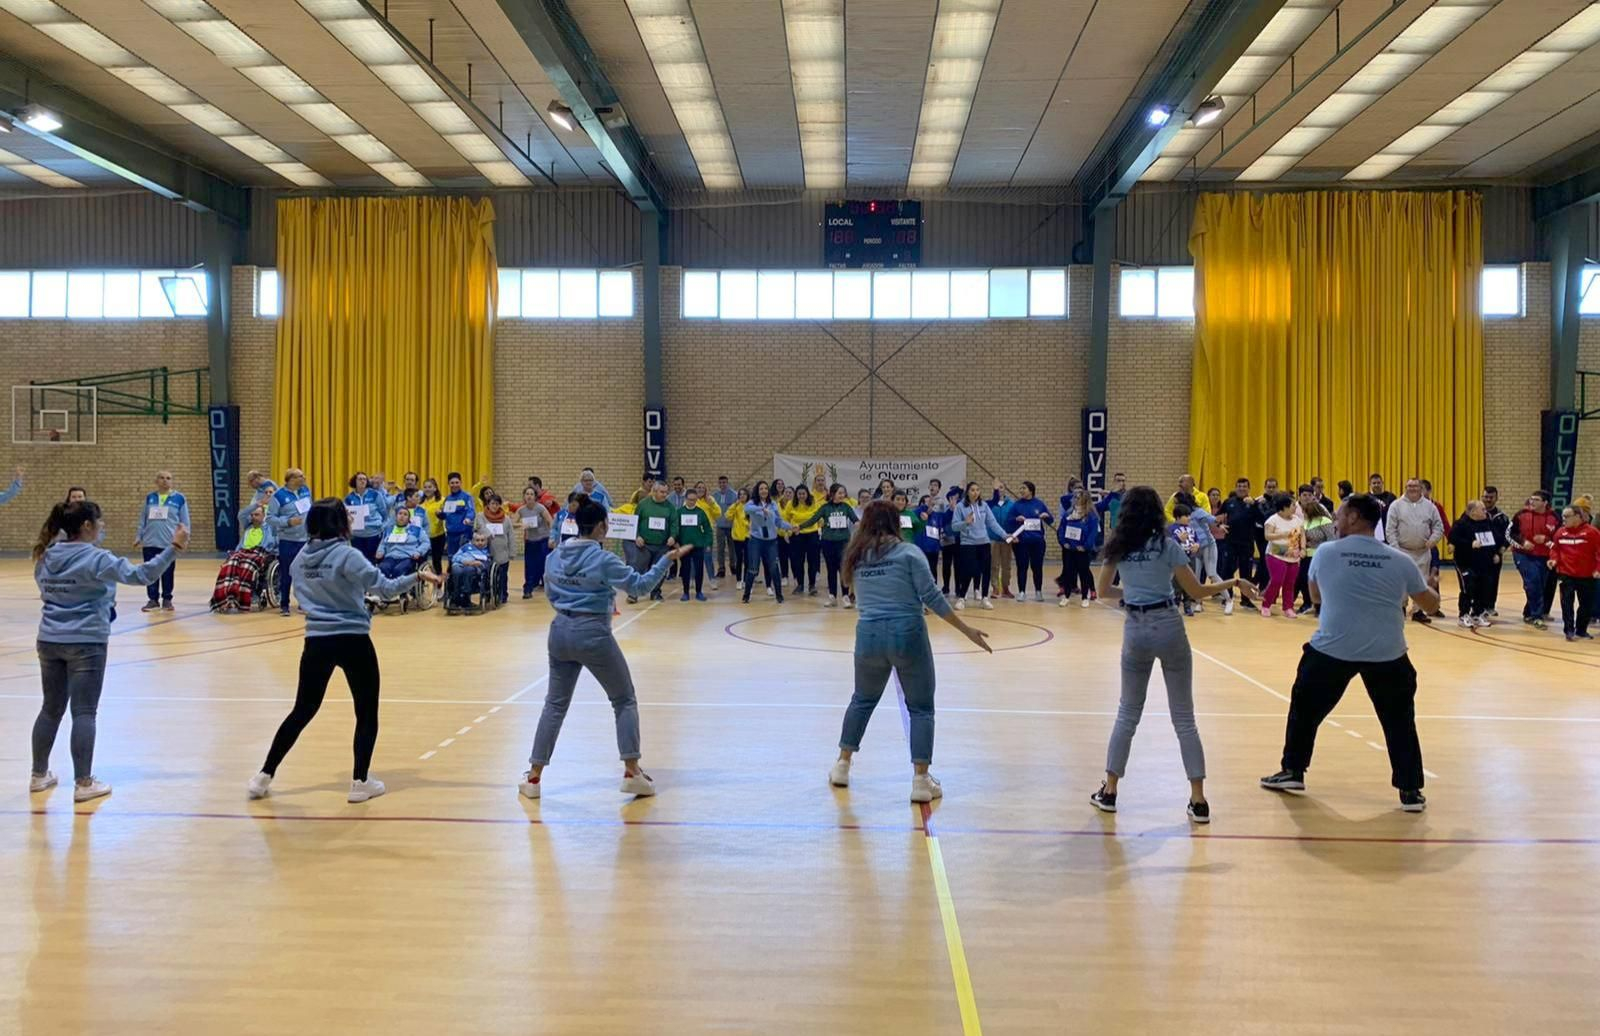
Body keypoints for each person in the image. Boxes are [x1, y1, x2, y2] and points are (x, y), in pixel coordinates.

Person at [247, 500, 441, 804]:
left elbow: (303, 593)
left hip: (316, 642)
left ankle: (263, 776)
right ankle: (360, 782)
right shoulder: (347, 555)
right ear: (340, 523)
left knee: (302, 710)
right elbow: (386, 588)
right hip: (353, 640)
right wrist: (417, 577)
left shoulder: (300, 559)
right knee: (366, 711)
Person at [1260, 494, 1437, 813]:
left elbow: (1315, 596)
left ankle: (1293, 771)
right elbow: (1430, 605)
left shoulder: (1327, 553)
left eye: (1339, 515)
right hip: (1387, 652)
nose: (1335, 520)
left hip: (1333, 648)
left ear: (1354, 517)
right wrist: (1429, 586)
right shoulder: (1400, 560)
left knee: (1305, 708)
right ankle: (1410, 790)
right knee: (1399, 721)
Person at [519, 496, 691, 800]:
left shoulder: (554, 556)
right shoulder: (603, 559)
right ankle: (632, 771)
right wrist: (667, 559)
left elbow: (550, 593)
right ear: (601, 526)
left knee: (554, 705)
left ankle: (533, 778)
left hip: (558, 632)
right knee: (623, 699)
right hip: (593, 633)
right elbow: (639, 586)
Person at [827, 500, 992, 803]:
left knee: (862, 700)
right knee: (920, 708)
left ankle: (842, 764)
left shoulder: (855, 557)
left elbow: (849, 588)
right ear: (895, 523)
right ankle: (920, 780)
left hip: (868, 635)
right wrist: (966, 630)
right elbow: (933, 597)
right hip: (907, 633)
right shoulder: (909, 553)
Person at [1088, 487, 1236, 823]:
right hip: (1169, 626)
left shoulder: (1119, 548)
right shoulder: (1168, 546)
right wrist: (1232, 582)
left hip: (1136, 630)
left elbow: (1103, 591)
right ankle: (1198, 801)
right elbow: (1196, 590)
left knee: (1127, 713)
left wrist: (1134, 595)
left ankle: (1109, 791)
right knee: (1184, 718)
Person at [31, 501, 188, 802]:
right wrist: (174, 549)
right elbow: (142, 575)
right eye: (99, 523)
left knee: (50, 709)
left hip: (49, 639)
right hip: (86, 641)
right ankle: (84, 783)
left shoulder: (45, 555)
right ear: (87, 526)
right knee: (84, 711)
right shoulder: (97, 558)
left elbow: (44, 589)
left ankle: (38, 775)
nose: (103, 527)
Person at [1385, 478, 1443, 623]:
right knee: (1401, 582)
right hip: (1402, 551)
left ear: (1420, 488)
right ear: (1405, 487)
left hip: (1423, 552)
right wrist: (1395, 548)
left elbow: (1438, 526)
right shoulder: (1396, 505)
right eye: (1410, 486)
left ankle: (1418, 611)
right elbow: (1390, 529)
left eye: (1415, 486)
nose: (1412, 488)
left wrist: (1433, 540)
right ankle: (1401, 608)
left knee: (1421, 582)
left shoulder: (1430, 506)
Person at [134, 470, 190, 612]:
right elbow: (143, 519)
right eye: (162, 478)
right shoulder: (150, 498)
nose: (165, 480)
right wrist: (139, 536)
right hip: (150, 541)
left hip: (169, 543)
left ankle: (167, 599)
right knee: (150, 570)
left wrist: (184, 539)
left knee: (168, 571)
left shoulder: (179, 498)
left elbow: (185, 521)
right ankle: (152, 600)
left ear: (172, 481)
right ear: (156, 481)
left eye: (168, 478)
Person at [797, 483, 859, 607]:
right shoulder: (825, 508)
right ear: (832, 494)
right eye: (840, 493)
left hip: (843, 543)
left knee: (842, 569)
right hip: (828, 542)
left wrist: (862, 525)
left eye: (843, 493)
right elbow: (813, 519)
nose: (842, 495)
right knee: (831, 569)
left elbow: (855, 520)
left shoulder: (846, 507)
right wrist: (799, 527)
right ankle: (832, 596)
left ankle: (845, 596)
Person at [210, 497, 276, 612]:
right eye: (253, 515)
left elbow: (272, 543)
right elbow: (241, 515)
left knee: (247, 566)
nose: (253, 517)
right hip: (242, 552)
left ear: (263, 516)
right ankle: (224, 599)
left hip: (258, 552)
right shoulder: (248, 526)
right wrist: (257, 504)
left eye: (257, 515)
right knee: (229, 565)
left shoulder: (269, 527)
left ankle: (237, 598)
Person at [1449, 499, 1504, 628]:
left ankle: (1477, 613)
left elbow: (1496, 539)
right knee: (1468, 587)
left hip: (1483, 562)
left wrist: (1496, 553)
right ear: (1473, 512)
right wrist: (1470, 544)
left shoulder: (1487, 523)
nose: (1486, 512)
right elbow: (1453, 539)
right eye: (1482, 510)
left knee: (1483, 587)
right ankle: (1463, 615)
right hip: (1465, 562)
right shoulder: (1461, 524)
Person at [952, 482, 1007, 611]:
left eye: (977, 490)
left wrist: (1005, 536)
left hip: (984, 543)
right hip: (968, 544)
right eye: (972, 490)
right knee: (968, 571)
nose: (975, 492)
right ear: (967, 492)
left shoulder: (984, 506)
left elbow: (992, 523)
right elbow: (954, 526)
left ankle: (984, 598)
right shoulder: (960, 507)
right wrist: (965, 523)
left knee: (985, 571)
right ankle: (962, 597)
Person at [1548, 506, 1600, 641]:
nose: (1563, 519)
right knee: (1566, 604)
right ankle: (1569, 630)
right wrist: (1553, 560)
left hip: (1587, 575)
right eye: (1563, 516)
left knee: (1586, 605)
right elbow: (1555, 549)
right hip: (1566, 574)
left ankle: (1581, 630)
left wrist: (1598, 569)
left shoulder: (1592, 532)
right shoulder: (1560, 533)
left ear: (1578, 516)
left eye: (1567, 516)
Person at [1510, 490, 1560, 629]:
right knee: (1532, 580)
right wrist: (1522, 542)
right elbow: (1510, 533)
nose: (1532, 502)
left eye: (1536, 499)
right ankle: (1537, 616)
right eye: (1531, 499)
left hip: (1544, 556)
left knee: (1539, 584)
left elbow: (1559, 536)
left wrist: (1547, 539)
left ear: (1545, 503)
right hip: (1523, 554)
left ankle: (1528, 612)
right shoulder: (1521, 515)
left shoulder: (1554, 517)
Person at [266, 469, 313, 616]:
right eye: (300, 476)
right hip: (288, 540)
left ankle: (303, 603)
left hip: (305, 540)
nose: (304, 477)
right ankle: (284, 604)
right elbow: (270, 518)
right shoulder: (278, 496)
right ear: (291, 479)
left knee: (305, 573)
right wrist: (288, 522)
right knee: (287, 573)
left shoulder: (305, 490)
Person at [742, 481, 792, 604]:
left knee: (774, 568)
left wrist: (791, 526)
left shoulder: (773, 504)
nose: (764, 491)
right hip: (756, 541)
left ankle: (779, 595)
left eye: (765, 488)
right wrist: (761, 508)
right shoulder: (752, 503)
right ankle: (746, 595)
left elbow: (778, 522)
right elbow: (747, 509)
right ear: (757, 491)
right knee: (753, 568)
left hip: (771, 542)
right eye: (761, 489)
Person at [1216, 477, 1259, 615]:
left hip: (1246, 543)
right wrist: (1220, 525)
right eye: (1239, 486)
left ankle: (1246, 600)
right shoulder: (1229, 502)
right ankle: (1227, 597)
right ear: (1236, 487)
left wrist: (1254, 504)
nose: (1241, 488)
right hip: (1230, 542)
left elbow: (1261, 519)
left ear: (1248, 488)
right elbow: (1216, 516)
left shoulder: (1254, 503)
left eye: (1244, 486)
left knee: (1245, 573)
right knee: (1227, 570)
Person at [1005, 481, 1054, 602]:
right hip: (1022, 543)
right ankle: (1022, 592)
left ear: (1031, 490)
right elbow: (1008, 521)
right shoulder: (1016, 505)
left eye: (1024, 488)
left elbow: (1050, 520)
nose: (1021, 490)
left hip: (1038, 542)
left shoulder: (1039, 504)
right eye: (1020, 488)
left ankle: (1038, 591)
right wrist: (1016, 519)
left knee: (1037, 567)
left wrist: (1046, 516)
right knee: (1022, 567)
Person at [1261, 493, 1305, 618]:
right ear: (1284, 507)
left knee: (1290, 582)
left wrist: (1303, 549)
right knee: (1276, 580)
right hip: (1276, 554)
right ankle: (1266, 605)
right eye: (1292, 505)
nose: (1295, 507)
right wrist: (1283, 535)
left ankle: (1288, 607)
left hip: (1293, 554)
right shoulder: (1272, 520)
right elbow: (1267, 536)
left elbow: (1302, 535)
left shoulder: (1297, 520)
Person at [632, 481, 677, 604]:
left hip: (662, 546)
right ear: (654, 491)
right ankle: (633, 593)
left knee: (660, 570)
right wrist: (637, 536)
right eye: (662, 492)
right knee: (638, 569)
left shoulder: (670, 507)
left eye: (666, 492)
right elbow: (634, 522)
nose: (665, 494)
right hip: (644, 545)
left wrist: (673, 536)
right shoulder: (643, 505)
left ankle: (656, 592)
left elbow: (674, 523)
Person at [1056, 490, 1101, 607]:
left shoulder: (1091, 516)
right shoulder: (1068, 513)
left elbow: (1092, 533)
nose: (1075, 499)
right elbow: (1061, 529)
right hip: (1069, 549)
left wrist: (1085, 546)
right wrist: (1063, 542)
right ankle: (1066, 596)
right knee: (1068, 573)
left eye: (1078, 497)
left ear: (1085, 499)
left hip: (1082, 551)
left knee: (1083, 573)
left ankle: (1085, 597)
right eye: (1075, 497)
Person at [1295, 492, 1336, 614]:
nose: (1303, 513)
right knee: (1303, 580)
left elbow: (1331, 538)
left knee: (1319, 583)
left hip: (1320, 555)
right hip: (1306, 556)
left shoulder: (1324, 521)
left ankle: (1321, 606)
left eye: (1305, 511)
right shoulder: (1305, 522)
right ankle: (1307, 602)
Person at [674, 486, 713, 601]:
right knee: (685, 570)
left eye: (694, 500)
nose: (692, 502)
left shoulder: (701, 512)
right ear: (685, 499)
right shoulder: (679, 512)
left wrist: (708, 544)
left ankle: (699, 592)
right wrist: (676, 542)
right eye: (690, 499)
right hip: (684, 547)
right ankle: (685, 592)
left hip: (698, 546)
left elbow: (708, 529)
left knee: (699, 570)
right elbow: (675, 529)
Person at [474, 493, 514, 605]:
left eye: (497, 504)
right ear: (488, 504)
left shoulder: (506, 519)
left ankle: (503, 594)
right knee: (486, 574)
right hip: (486, 550)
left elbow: (511, 535)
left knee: (502, 575)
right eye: (492, 503)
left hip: (502, 550)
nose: (494, 506)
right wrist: (488, 533)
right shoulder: (480, 516)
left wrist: (512, 551)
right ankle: (486, 594)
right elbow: (480, 527)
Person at [513, 486, 552, 598]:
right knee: (529, 566)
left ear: (535, 497)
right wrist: (521, 525)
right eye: (527, 494)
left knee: (541, 564)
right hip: (530, 541)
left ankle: (545, 586)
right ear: (524, 496)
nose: (529, 496)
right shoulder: (521, 510)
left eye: (531, 494)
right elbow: (512, 524)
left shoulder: (540, 508)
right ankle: (528, 589)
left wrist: (552, 537)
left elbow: (550, 521)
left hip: (543, 540)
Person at [786, 484, 823, 596]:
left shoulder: (814, 502)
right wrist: (787, 532)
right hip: (797, 535)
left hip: (812, 534)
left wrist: (820, 528)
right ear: (796, 495)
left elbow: (820, 517)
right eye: (799, 494)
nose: (801, 496)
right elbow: (786, 519)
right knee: (798, 561)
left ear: (807, 494)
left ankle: (812, 585)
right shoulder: (791, 504)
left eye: (803, 494)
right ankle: (800, 585)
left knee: (813, 561)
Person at [374, 503, 428, 579]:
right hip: (390, 557)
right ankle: (386, 589)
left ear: (409, 519)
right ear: (396, 517)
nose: (402, 516)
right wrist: (380, 551)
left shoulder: (417, 530)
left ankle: (399, 590)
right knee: (382, 568)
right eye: (400, 514)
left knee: (398, 570)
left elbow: (426, 543)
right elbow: (382, 543)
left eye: (405, 514)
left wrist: (418, 552)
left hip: (407, 557)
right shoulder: (389, 529)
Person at [1480, 486, 1511, 616]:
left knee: (1493, 580)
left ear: (1496, 498)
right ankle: (1478, 607)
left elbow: (1508, 535)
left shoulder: (1502, 517)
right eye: (1486, 497)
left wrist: (1501, 550)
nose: (1488, 500)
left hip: (1496, 555)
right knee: (1479, 581)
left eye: (1491, 497)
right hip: (1479, 554)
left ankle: (1490, 606)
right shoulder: (1476, 514)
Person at [446, 531, 494, 613]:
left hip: (473, 569)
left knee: (468, 570)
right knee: (456, 571)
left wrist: (473, 564)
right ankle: (455, 598)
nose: (480, 543)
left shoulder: (486, 552)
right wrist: (466, 561)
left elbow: (485, 565)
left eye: (482, 540)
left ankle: (465, 598)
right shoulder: (465, 547)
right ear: (473, 540)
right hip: (460, 564)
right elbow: (455, 557)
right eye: (477, 540)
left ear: (486, 541)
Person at [343, 472, 386, 561]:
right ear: (355, 482)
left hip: (373, 533)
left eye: (364, 479)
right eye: (360, 479)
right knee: (359, 560)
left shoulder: (375, 494)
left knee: (372, 560)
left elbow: (383, 512)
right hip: (357, 535)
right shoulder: (349, 498)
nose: (362, 481)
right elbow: (346, 514)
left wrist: (380, 525)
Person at [988, 481, 1017, 599]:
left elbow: (1015, 521)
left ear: (1005, 489)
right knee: (994, 565)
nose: (999, 489)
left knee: (1006, 565)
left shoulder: (1012, 504)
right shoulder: (990, 504)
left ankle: (1006, 588)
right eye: (997, 488)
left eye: (1002, 487)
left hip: (1007, 539)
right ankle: (995, 588)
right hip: (993, 538)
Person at [440, 472, 476, 556]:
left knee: (463, 557)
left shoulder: (467, 497)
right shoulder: (448, 499)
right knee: (451, 557)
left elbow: (471, 510)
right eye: (452, 483)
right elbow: (445, 515)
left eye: (457, 482)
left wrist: (468, 518)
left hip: (463, 533)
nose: (454, 485)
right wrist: (439, 514)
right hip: (450, 534)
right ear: (448, 484)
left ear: (461, 483)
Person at [416, 477, 447, 573]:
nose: (427, 489)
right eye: (425, 487)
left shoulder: (442, 501)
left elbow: (446, 516)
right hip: (423, 536)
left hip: (437, 535)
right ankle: (422, 581)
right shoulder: (419, 502)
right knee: (422, 560)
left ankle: (437, 582)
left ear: (435, 488)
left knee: (436, 560)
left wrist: (441, 514)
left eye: (430, 487)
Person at [711, 475, 738, 579]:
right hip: (720, 526)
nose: (722, 484)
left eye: (724, 482)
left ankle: (733, 566)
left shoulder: (734, 495)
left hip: (731, 526)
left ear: (727, 483)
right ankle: (721, 568)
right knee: (720, 548)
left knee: (732, 549)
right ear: (718, 484)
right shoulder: (715, 495)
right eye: (720, 483)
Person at [726, 487, 750, 586]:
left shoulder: (751, 506)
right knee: (739, 559)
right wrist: (734, 505)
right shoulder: (736, 506)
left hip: (748, 536)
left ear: (747, 495)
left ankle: (745, 580)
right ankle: (739, 580)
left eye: (744, 494)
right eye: (740, 494)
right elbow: (728, 516)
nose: (742, 496)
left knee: (748, 560)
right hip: (737, 537)